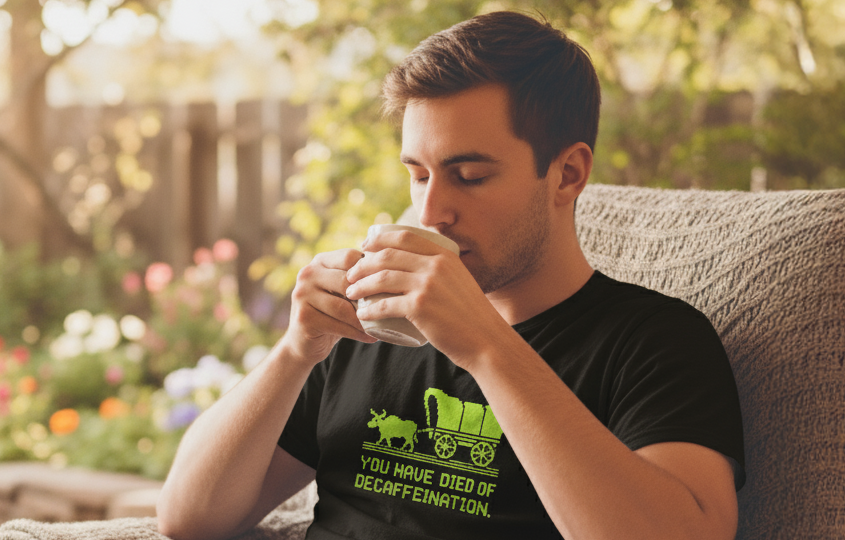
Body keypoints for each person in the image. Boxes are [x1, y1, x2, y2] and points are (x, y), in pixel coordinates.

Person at [157, 11, 745, 540]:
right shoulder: (366, 327)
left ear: (567, 173)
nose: (431, 211)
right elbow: (189, 518)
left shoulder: (654, 342)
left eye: (469, 176)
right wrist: (293, 352)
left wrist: (486, 344)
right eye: (418, 175)